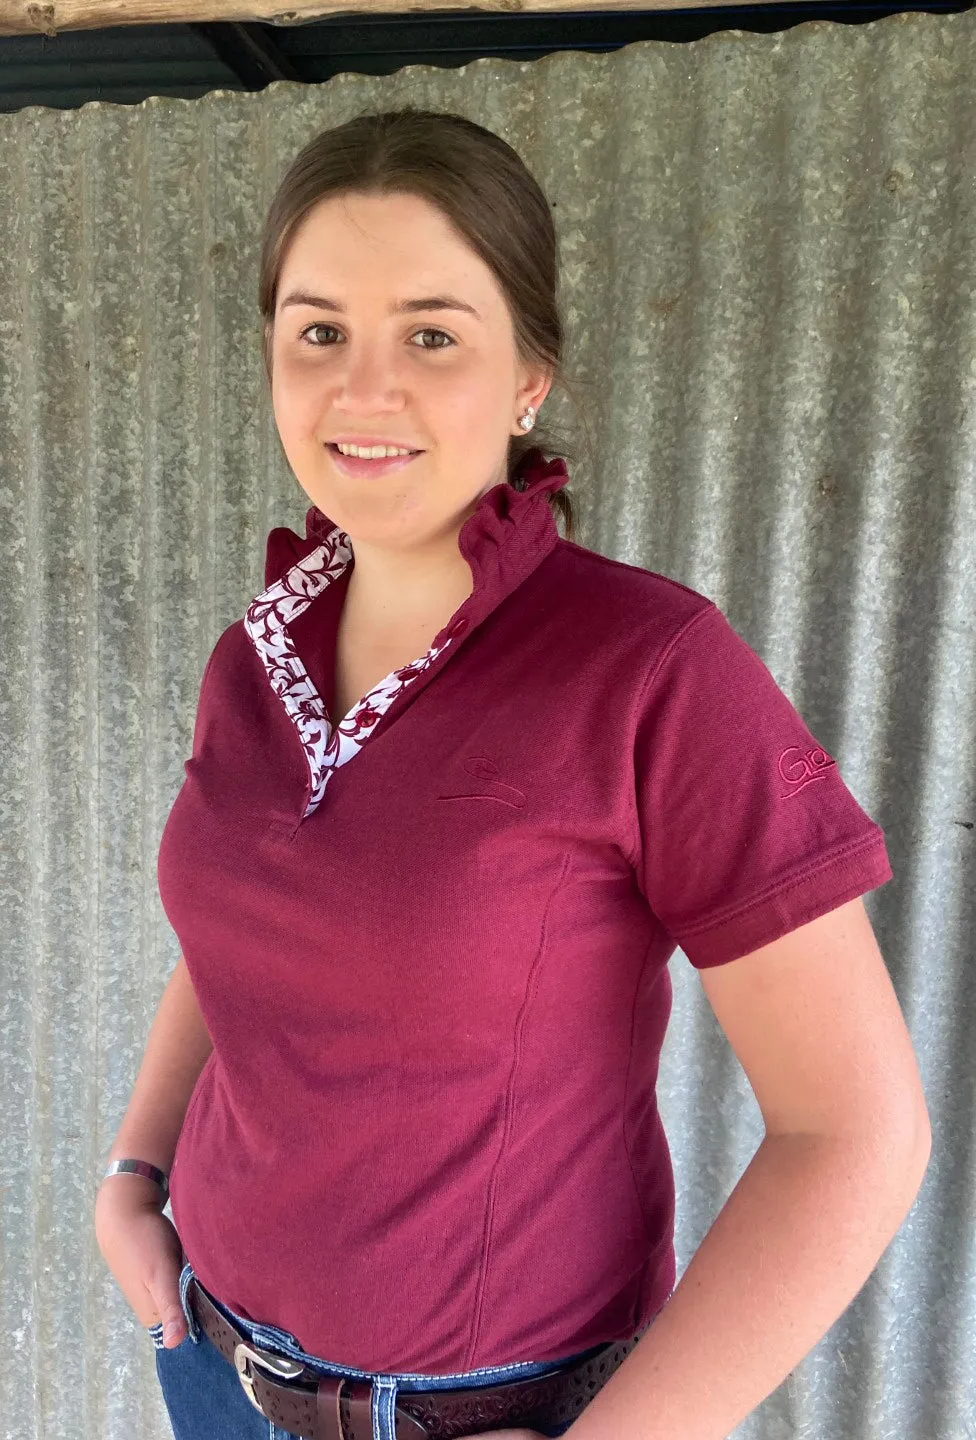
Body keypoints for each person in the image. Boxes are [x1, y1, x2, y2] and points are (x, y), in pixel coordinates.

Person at [94, 108, 930, 1440]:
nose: (364, 390)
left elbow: (855, 1133)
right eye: (319, 334)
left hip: (479, 1409)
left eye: (431, 334)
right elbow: (235, 940)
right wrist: (135, 1175)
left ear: (529, 374)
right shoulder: (260, 652)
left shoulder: (647, 668)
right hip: (215, 1362)